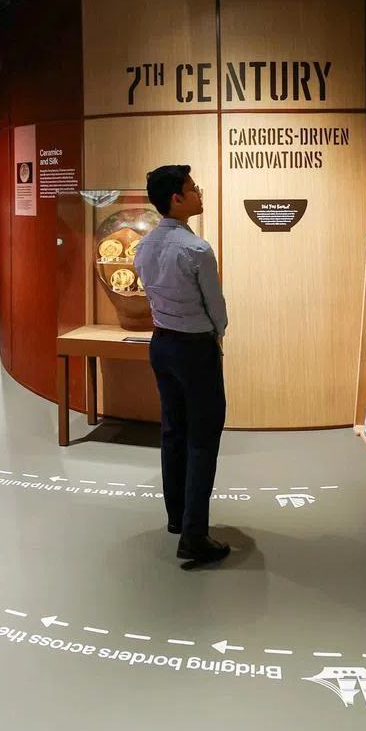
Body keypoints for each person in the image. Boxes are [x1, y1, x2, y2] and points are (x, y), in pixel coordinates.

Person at [133, 164, 230, 566]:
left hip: (162, 345)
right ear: (177, 198)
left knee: (173, 432)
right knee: (203, 437)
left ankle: (177, 518)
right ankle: (194, 534)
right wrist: (217, 334)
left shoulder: (144, 246)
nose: (199, 192)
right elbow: (216, 308)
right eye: (193, 187)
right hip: (194, 349)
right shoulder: (196, 249)